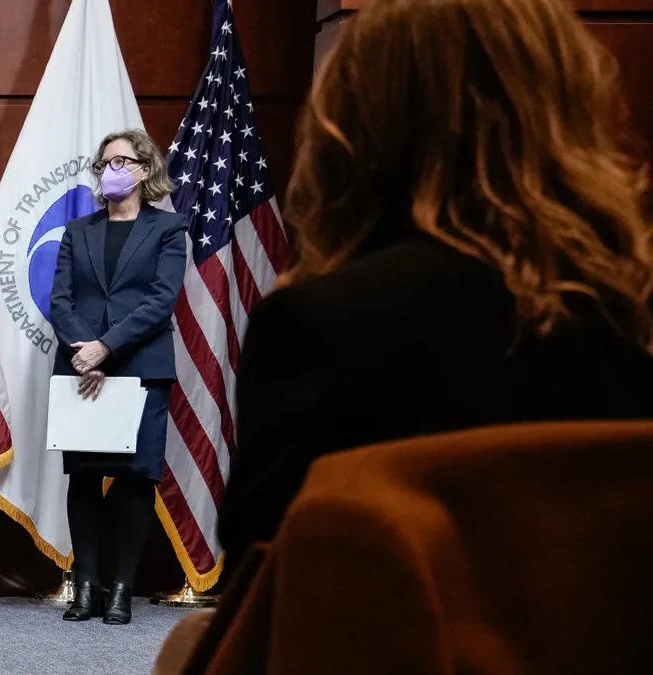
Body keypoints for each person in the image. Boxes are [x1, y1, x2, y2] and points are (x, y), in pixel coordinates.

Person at [219, 0, 653, 573]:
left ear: (355, 120)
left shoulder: (320, 326)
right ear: (567, 107)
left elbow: (273, 585)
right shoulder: (632, 314)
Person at [49, 129, 188, 625]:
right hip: (81, 366)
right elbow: (59, 301)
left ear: (144, 170)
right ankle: (86, 586)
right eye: (104, 163)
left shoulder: (169, 230)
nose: (111, 170)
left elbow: (160, 300)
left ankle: (121, 590)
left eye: (121, 161)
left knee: (134, 479)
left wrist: (107, 347)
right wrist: (87, 351)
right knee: (84, 477)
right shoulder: (78, 230)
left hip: (140, 367)